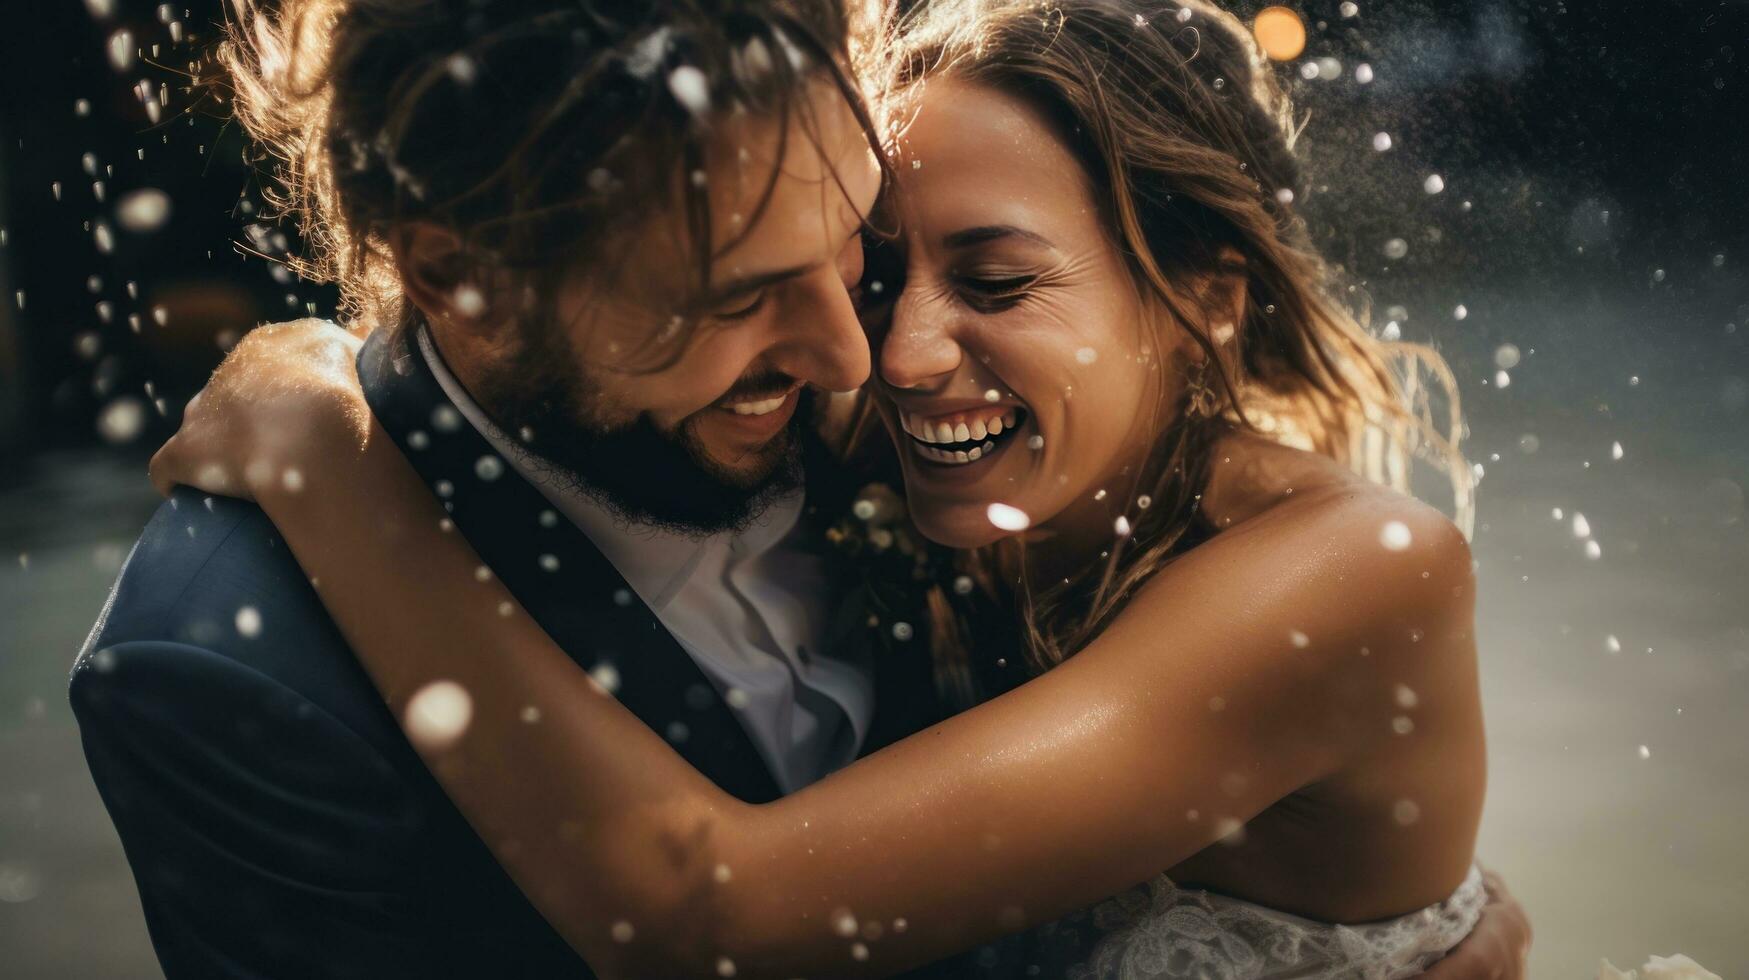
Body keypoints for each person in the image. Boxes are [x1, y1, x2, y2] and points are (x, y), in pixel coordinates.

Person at [142, 0, 1531, 977]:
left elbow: (709, 915)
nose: (881, 352)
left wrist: (336, 471)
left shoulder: (1361, 572)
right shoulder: (947, 466)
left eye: (993, 283)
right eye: (878, 266)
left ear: (1203, 302)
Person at [72, 1, 972, 976]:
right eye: (734, 295)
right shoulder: (228, 669)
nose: (847, 355)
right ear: (461, 273)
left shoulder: (937, 380)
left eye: (849, 231)